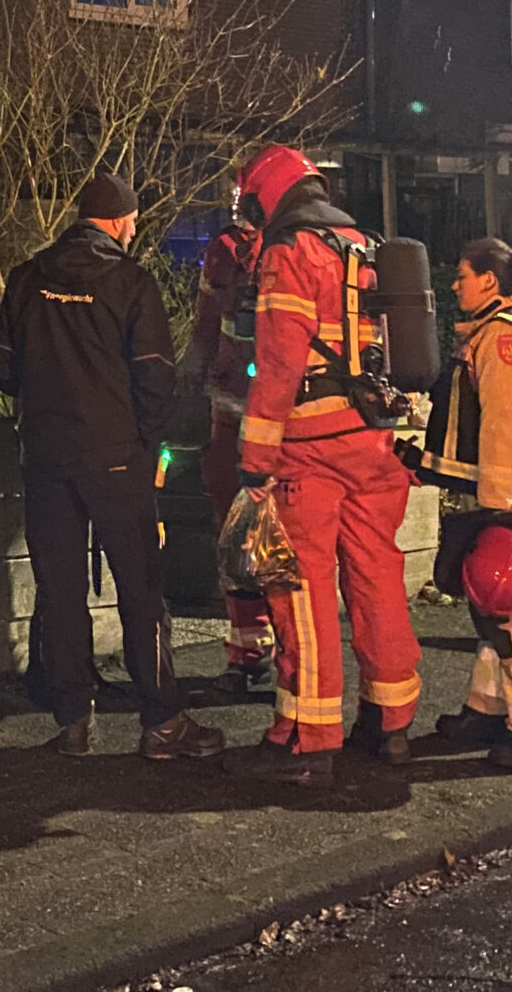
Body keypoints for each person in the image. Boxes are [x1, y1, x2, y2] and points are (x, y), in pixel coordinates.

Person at [0, 171, 225, 761]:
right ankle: (162, 721)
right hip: (117, 460)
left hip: (45, 458)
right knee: (142, 590)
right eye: (135, 220)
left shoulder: (27, 278)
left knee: (61, 590)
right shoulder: (130, 283)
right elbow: (156, 378)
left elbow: (2, 365)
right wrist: (139, 442)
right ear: (120, 221)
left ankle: (73, 721)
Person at [234, 145, 422, 786]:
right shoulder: (362, 247)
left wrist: (255, 460)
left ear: (267, 196)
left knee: (301, 589)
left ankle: (311, 738)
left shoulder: (290, 253)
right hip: (372, 443)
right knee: (377, 580)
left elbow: (280, 365)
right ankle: (391, 723)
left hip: (308, 454)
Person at [417, 237, 512, 771]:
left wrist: (494, 507)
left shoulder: (503, 340)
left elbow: (507, 424)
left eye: (462, 274)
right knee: (493, 613)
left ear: (489, 280)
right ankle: (488, 710)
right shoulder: (495, 333)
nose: (454, 283)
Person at [179, 178, 277, 695]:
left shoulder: (291, 251)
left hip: (268, 422)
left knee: (265, 539)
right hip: (236, 416)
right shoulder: (228, 251)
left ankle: (267, 647)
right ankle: (249, 648)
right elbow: (208, 323)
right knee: (237, 536)